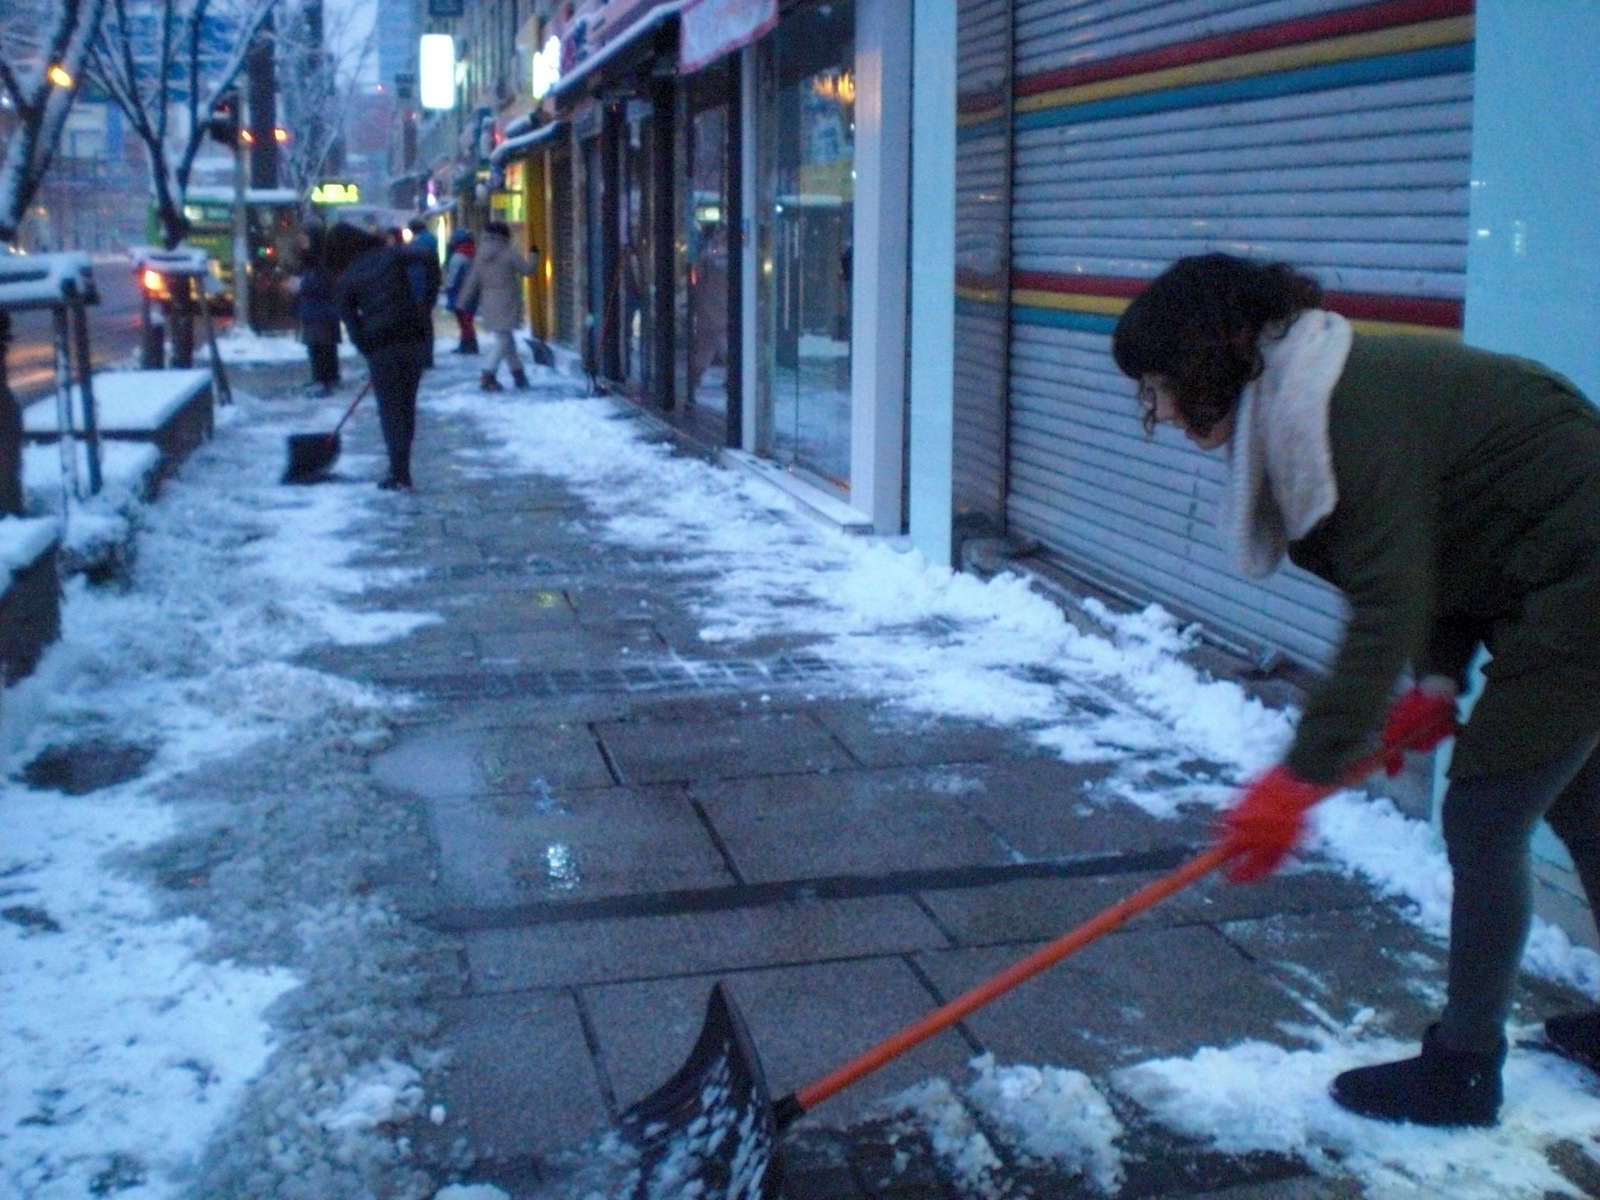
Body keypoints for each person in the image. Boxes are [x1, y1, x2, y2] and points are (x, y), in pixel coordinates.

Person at [1112, 252, 1600, 1128]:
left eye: (1156, 385)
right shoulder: (1310, 400)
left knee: (1488, 814)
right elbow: (1444, 541)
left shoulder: (1341, 412)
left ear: (1202, 359)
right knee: (1584, 804)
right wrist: (1439, 675)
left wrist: (1298, 778)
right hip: (1544, 573)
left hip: (1581, 582)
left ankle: (1462, 1068)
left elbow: (1390, 599)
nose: (1156, 410)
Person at [326, 222, 434, 491]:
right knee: (406, 406)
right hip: (413, 339)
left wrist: (369, 349)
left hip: (382, 348)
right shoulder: (391, 255)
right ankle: (401, 470)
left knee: (390, 410)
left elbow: (352, 325)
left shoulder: (346, 279)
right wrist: (426, 304)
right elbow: (428, 257)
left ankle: (399, 473)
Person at [458, 220, 538, 391]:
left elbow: (472, 280)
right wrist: (534, 255)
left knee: (507, 340)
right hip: (507, 301)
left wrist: (463, 301)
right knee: (503, 340)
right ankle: (488, 375)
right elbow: (527, 270)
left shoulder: (481, 255)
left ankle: (519, 375)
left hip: (489, 302)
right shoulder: (509, 252)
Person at [295, 223, 341, 396]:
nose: (302, 241)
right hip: (313, 310)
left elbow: (325, 284)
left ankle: (326, 380)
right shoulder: (309, 259)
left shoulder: (323, 260)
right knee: (316, 346)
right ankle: (320, 378)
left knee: (322, 346)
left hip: (322, 311)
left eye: (305, 238)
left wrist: (302, 285)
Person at [403, 217, 442, 368]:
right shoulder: (429, 241)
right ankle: (426, 357)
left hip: (422, 290)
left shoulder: (419, 246)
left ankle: (425, 358)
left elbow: (417, 274)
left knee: (422, 325)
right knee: (425, 324)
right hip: (428, 288)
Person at [442, 230, 478, 354]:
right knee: (468, 320)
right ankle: (469, 344)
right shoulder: (473, 253)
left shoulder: (457, 256)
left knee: (463, 321)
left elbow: (453, 277)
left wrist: (448, 287)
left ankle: (468, 345)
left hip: (459, 291)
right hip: (472, 291)